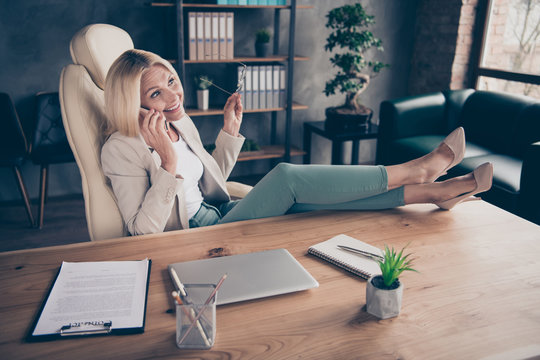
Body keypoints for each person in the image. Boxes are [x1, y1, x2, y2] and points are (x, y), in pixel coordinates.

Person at [101, 49, 493, 236]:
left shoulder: (177, 120)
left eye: (171, 80)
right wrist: (168, 165)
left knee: (314, 200)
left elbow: (211, 181)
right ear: (131, 103)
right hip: (194, 237)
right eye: (156, 94)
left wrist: (229, 131)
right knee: (287, 175)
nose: (173, 97)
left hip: (222, 212)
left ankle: (433, 192)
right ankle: (415, 169)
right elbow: (141, 232)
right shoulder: (122, 148)